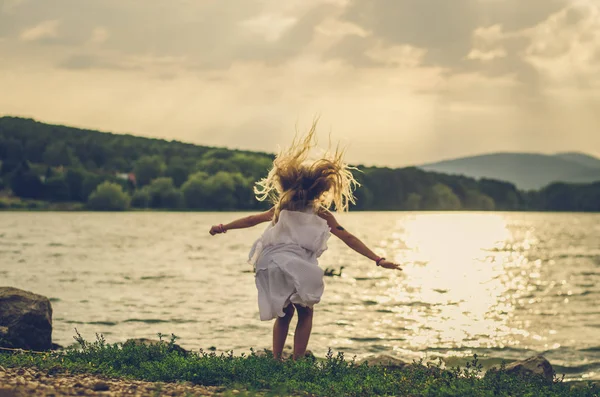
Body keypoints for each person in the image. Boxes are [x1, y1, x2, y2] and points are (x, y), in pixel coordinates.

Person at [209, 121, 401, 360]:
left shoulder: (282, 207)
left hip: (269, 262)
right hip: (292, 262)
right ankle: (298, 361)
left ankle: (276, 359)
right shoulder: (321, 213)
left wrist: (223, 227)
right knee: (306, 312)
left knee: (284, 314)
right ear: (320, 191)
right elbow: (348, 238)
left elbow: (251, 220)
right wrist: (378, 259)